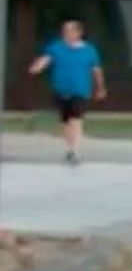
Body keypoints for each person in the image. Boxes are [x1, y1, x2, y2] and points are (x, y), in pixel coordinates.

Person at [28, 20, 106, 166]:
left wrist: (100, 87)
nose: (66, 34)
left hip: (80, 91)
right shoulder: (56, 47)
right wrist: (37, 67)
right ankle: (70, 149)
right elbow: (46, 59)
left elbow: (96, 70)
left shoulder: (89, 50)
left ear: (78, 33)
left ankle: (75, 150)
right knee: (66, 121)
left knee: (75, 119)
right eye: (64, 31)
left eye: (69, 31)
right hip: (61, 90)